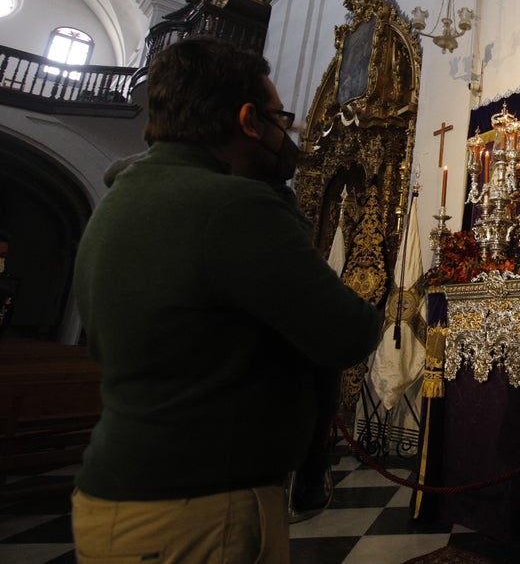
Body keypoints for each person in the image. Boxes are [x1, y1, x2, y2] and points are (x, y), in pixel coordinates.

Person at [71, 36, 382, 564]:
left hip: (122, 489)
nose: (289, 133)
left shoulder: (120, 195)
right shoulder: (235, 208)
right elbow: (349, 332)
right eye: (279, 117)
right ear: (248, 120)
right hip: (199, 510)